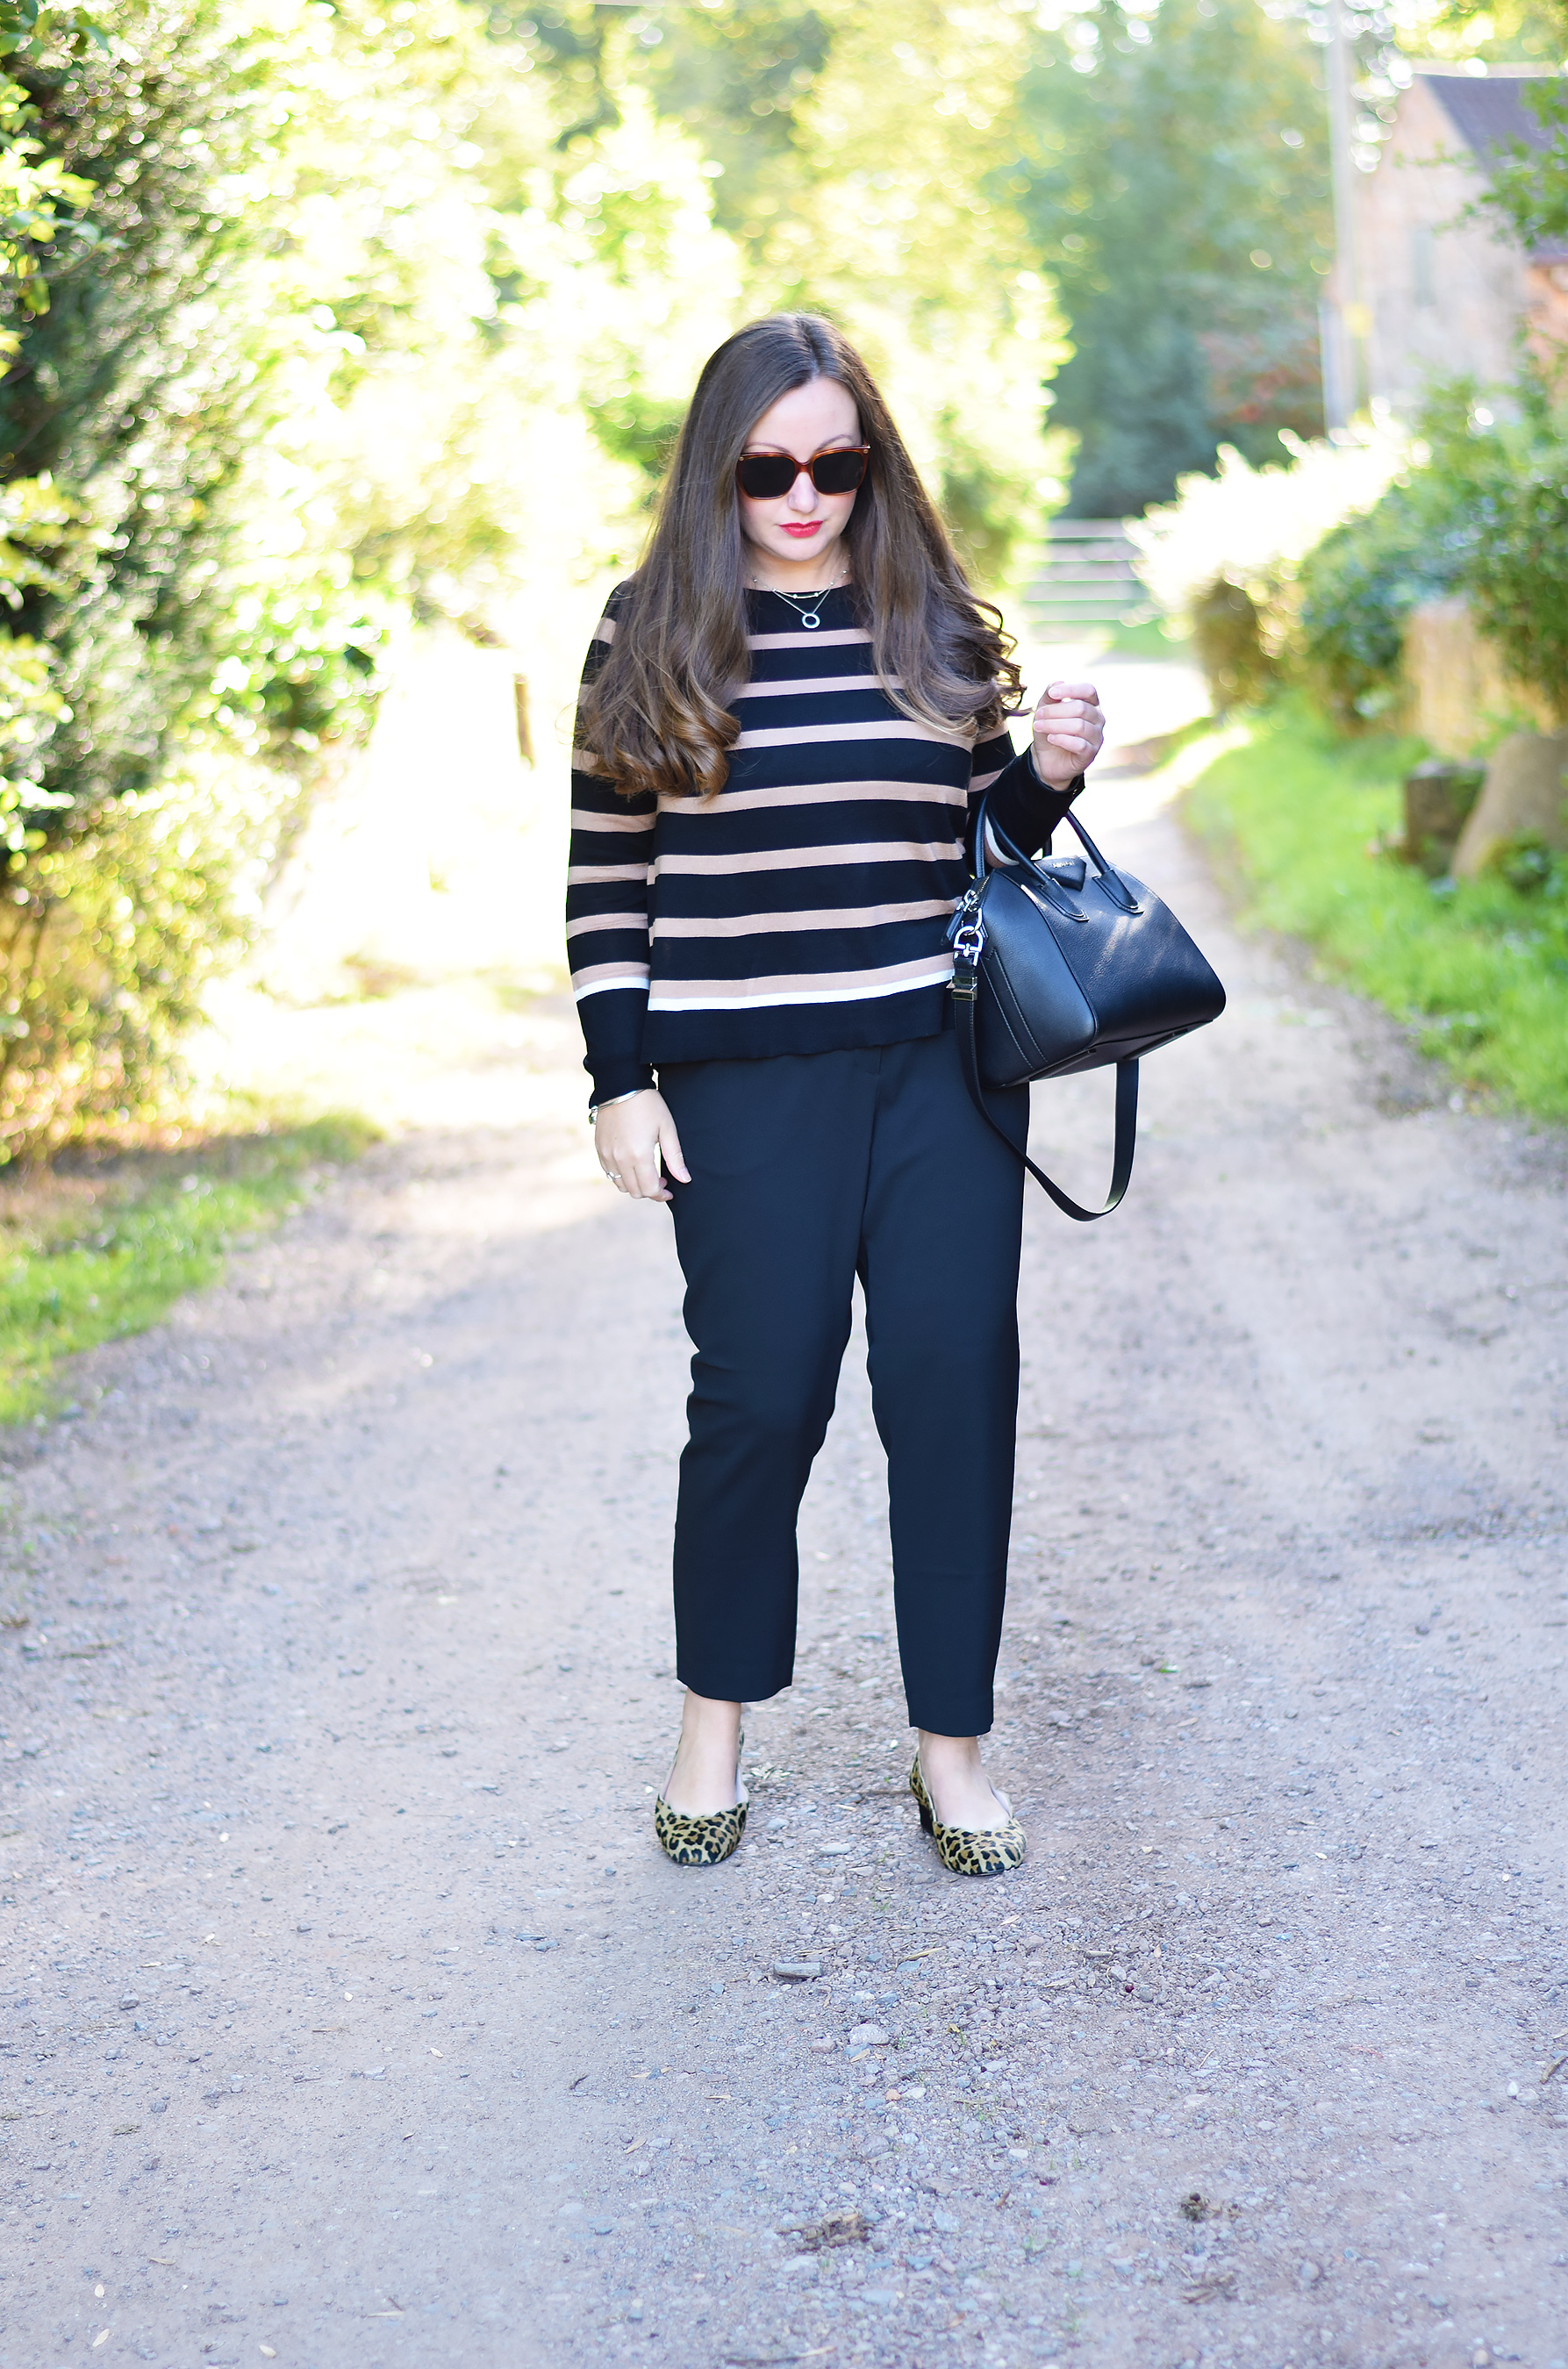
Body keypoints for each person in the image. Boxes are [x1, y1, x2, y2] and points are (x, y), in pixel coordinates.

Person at [566, 313, 1104, 1877]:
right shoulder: (649, 632)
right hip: (741, 1091)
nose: (803, 497)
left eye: (836, 465)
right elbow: (608, 883)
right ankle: (713, 1725)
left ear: (874, 466)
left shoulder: (933, 622)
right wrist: (621, 1081)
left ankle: (952, 1749)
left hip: (943, 1076)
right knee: (757, 1402)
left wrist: (1045, 776)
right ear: (717, 467)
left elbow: (980, 849)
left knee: (951, 1391)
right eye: (768, 468)